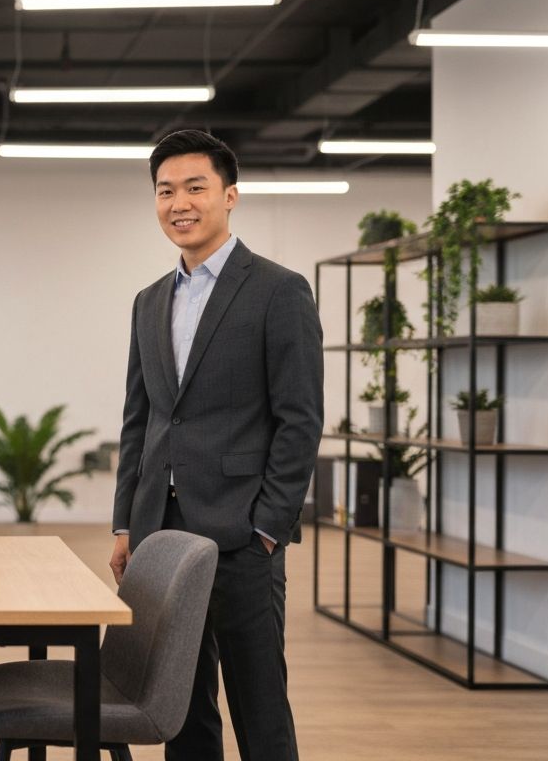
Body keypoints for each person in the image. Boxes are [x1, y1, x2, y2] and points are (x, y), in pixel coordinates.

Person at [111, 130, 323, 761]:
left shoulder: (278, 291)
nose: (179, 202)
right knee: (180, 705)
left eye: (195, 187)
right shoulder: (149, 302)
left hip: (243, 533)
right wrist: (127, 523)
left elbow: (300, 418)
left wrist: (269, 527)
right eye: (165, 190)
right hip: (163, 530)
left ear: (230, 196)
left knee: (259, 703)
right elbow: (139, 419)